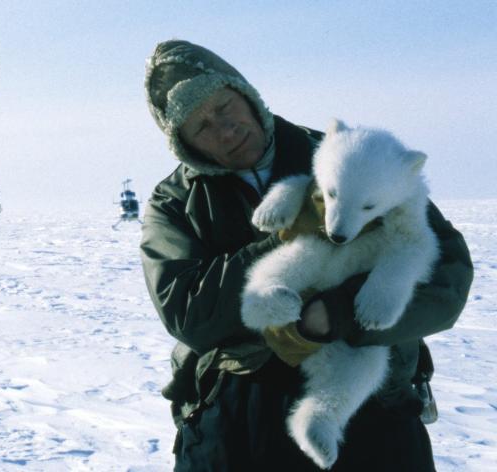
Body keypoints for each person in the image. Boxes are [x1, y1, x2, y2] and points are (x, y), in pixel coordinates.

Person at [140, 40, 473, 471]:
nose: (224, 129)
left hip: (374, 405)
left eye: (224, 107)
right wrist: (290, 235)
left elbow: (448, 274)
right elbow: (187, 312)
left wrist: (347, 312)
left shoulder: (348, 155)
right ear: (183, 142)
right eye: (201, 126)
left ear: (244, 94)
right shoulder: (174, 202)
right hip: (239, 417)